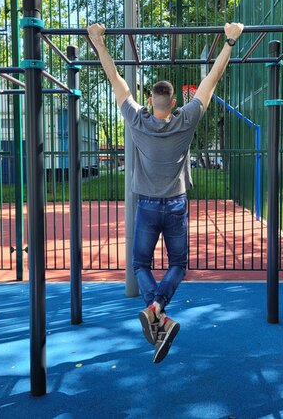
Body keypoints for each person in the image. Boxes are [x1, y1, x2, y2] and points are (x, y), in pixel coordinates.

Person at [87, 22, 244, 363]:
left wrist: (98, 42)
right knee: (178, 264)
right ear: (174, 102)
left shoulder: (136, 120)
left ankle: (154, 309)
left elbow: (115, 79)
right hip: (175, 205)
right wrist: (229, 41)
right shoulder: (186, 119)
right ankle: (158, 308)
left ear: (150, 100)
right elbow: (212, 79)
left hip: (146, 206)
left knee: (140, 264)